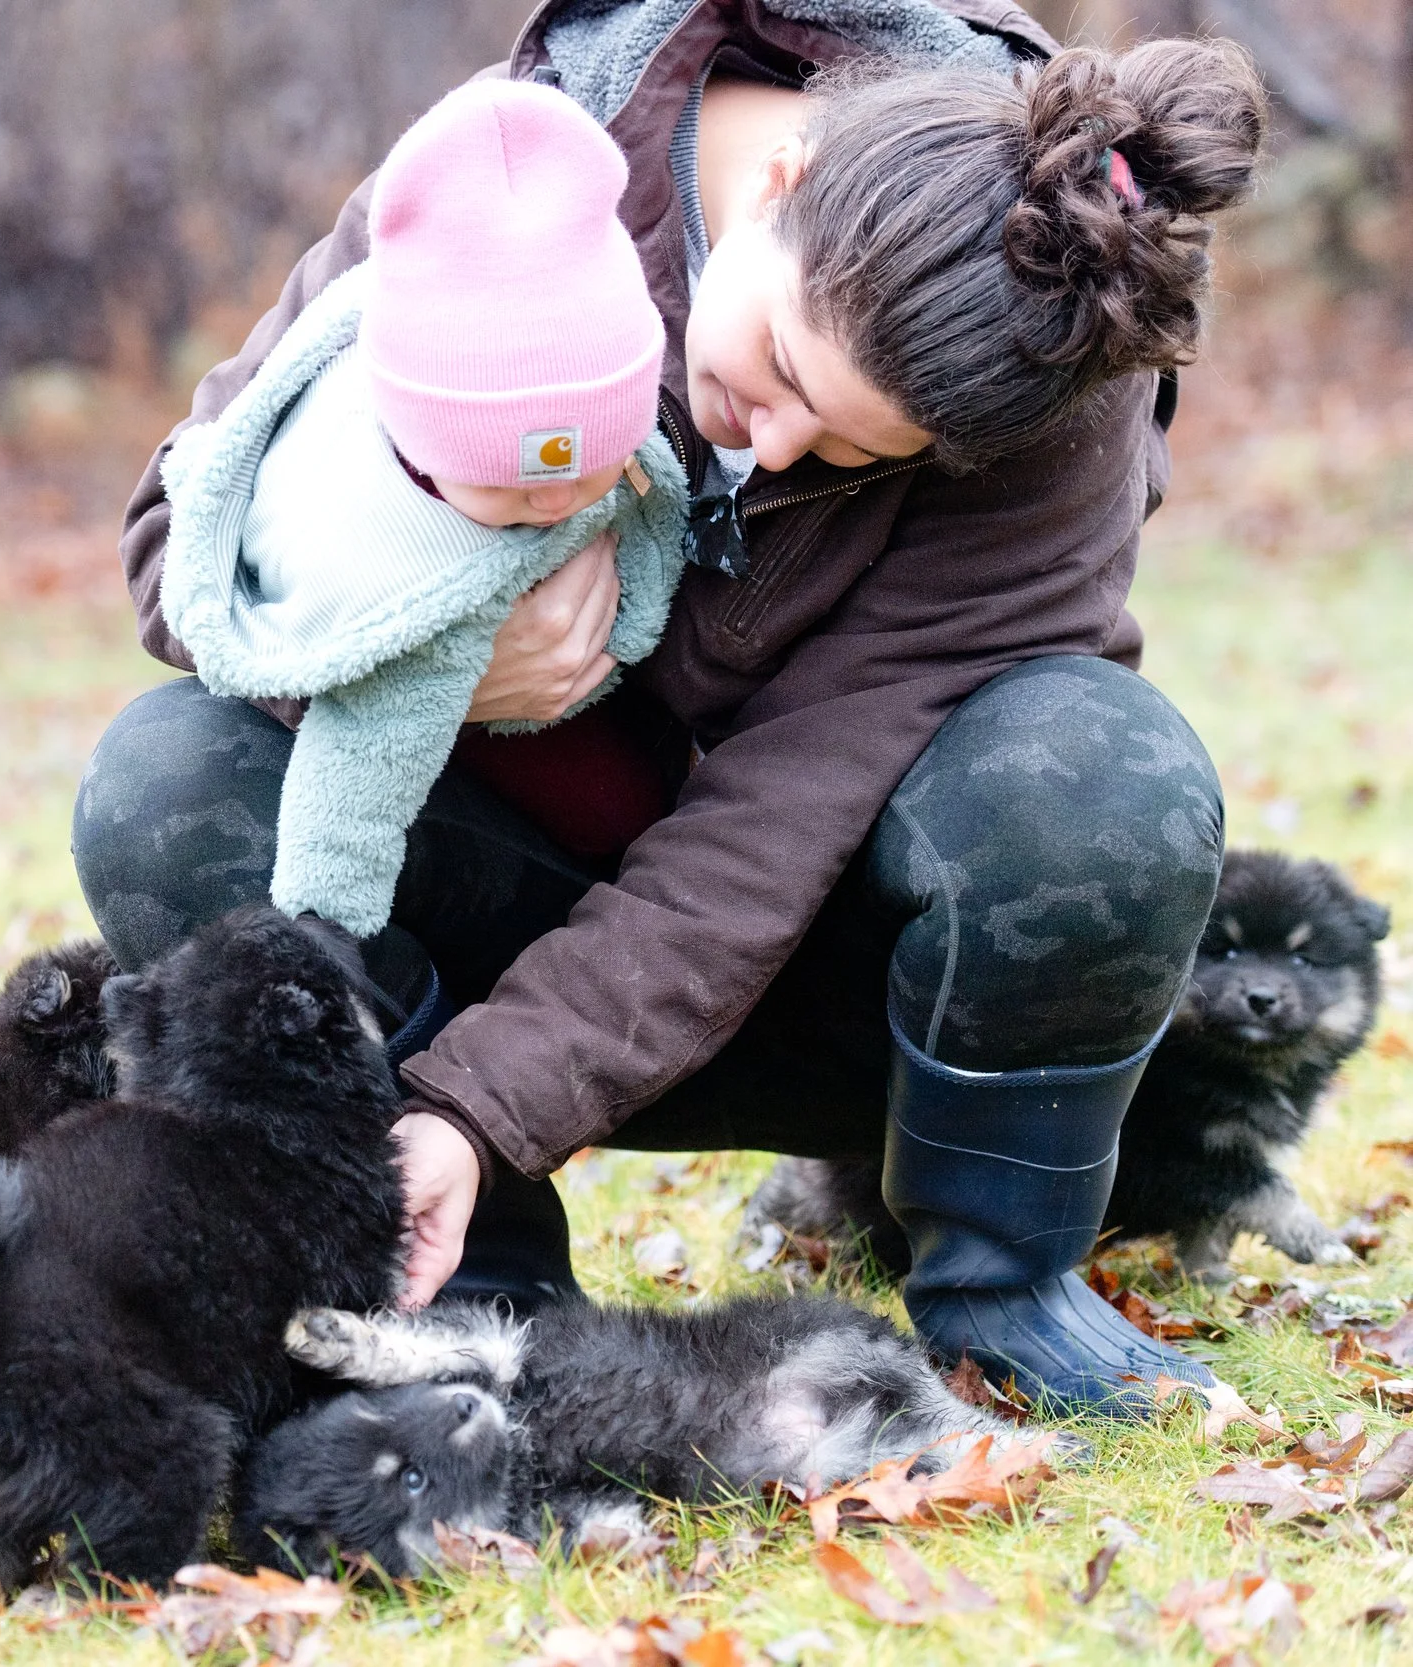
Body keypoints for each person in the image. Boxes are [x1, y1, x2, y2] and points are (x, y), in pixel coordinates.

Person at [74, 0, 1269, 1417]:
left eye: (842, 450)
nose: (764, 446)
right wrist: (429, 647)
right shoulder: (508, 173)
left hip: (836, 961)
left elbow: (771, 827)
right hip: (490, 908)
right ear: (782, 185)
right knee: (165, 781)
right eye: (778, 375)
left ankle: (1000, 1274)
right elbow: (174, 542)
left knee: (1098, 771)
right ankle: (467, 1280)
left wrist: (487, 1103)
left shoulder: (1051, 361)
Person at [157, 79, 686, 940]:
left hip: (659, 823)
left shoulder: (645, 395)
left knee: (626, 813)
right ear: (412, 432)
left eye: (591, 463)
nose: (553, 498)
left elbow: (662, 509)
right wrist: (324, 934)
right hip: (458, 802)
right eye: (506, 483)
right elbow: (349, 795)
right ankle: (385, 1025)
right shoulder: (358, 530)